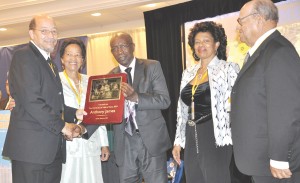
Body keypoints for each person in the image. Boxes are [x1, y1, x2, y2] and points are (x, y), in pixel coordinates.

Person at [2, 14, 84, 183]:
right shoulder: (23, 56)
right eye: (44, 31)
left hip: (51, 151)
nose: (51, 35)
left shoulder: (51, 64)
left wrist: (75, 112)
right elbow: (32, 101)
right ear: (31, 34)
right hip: (31, 151)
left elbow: (53, 104)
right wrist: (63, 126)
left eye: (54, 31)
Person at [82, 32, 171, 183]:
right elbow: (101, 112)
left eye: (123, 46)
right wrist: (83, 129)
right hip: (124, 143)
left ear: (132, 47)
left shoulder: (152, 67)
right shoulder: (109, 77)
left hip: (150, 140)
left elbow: (164, 100)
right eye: (115, 48)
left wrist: (136, 97)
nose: (119, 51)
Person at [230, 0, 300, 182]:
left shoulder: (278, 52)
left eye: (241, 21)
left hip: (274, 165)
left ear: (259, 19)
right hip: (261, 161)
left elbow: (286, 110)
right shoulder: (264, 51)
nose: (239, 28)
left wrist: (279, 157)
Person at [172, 21, 240, 183]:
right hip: (190, 134)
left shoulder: (228, 69)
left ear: (216, 44)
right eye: (197, 42)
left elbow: (236, 107)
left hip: (215, 135)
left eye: (206, 41)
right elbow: (182, 111)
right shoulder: (188, 73)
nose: (201, 45)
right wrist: (178, 142)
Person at [59, 38, 110, 183]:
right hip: (68, 142)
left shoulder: (93, 82)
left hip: (90, 141)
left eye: (78, 55)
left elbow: (99, 113)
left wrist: (104, 143)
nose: (73, 58)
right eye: (69, 54)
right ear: (62, 59)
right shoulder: (55, 80)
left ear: (83, 60)